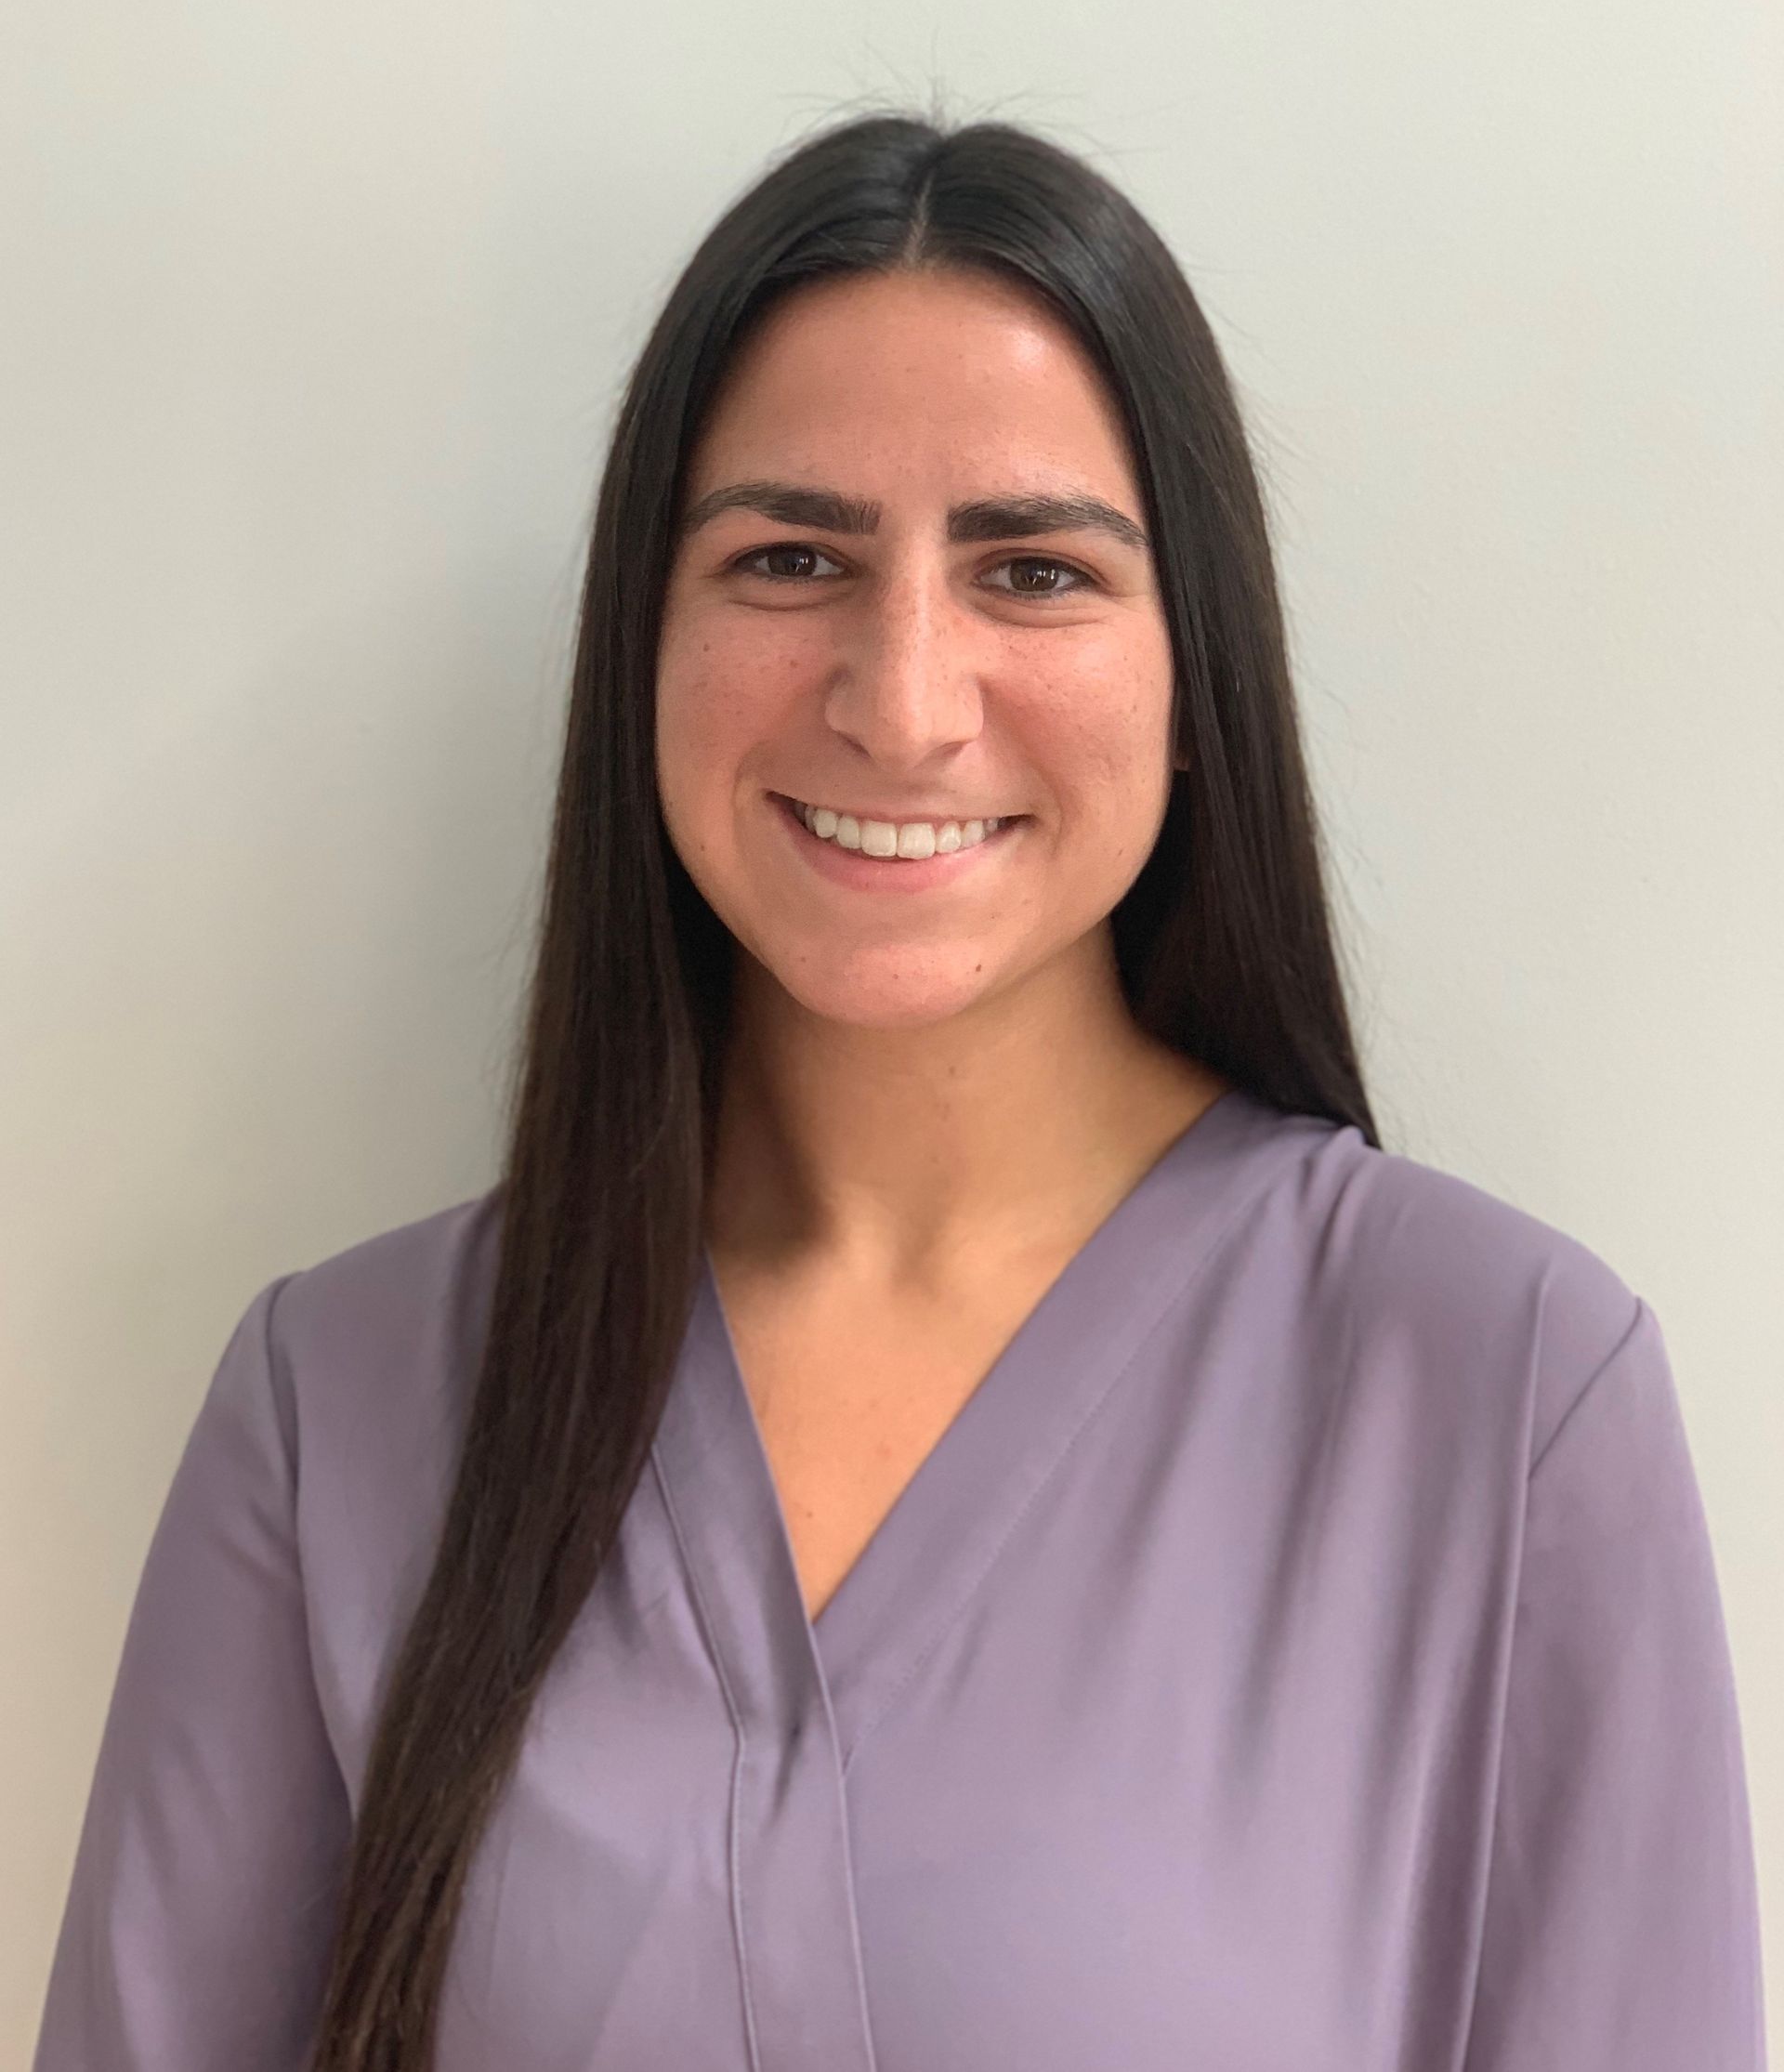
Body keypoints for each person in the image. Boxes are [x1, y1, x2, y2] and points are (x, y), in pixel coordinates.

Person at [33, 105, 1765, 2072]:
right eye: (790, 557)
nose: (905, 696)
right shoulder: (335, 1412)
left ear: (1196, 683)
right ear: (644, 648)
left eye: (1032, 572)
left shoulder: (1505, 1400)